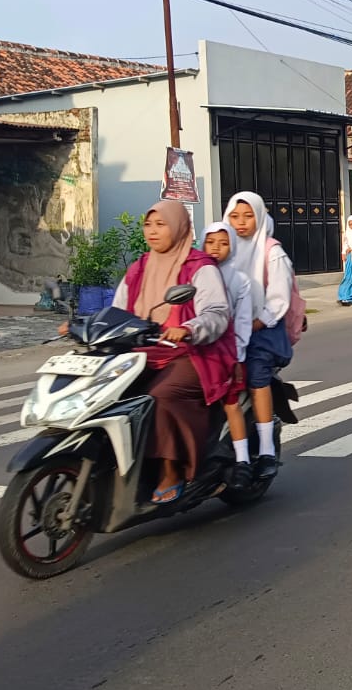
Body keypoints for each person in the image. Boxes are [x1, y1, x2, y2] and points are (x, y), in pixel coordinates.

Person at [111, 202, 235, 503]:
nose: (152, 231)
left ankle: (172, 471)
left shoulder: (199, 266)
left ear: (178, 227)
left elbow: (218, 313)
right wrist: (84, 325)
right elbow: (116, 311)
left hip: (192, 353)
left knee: (159, 397)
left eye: (161, 224)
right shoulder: (139, 267)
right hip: (143, 352)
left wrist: (189, 328)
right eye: (148, 225)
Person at [224, 191, 296, 481]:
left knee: (255, 376)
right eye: (234, 216)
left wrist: (253, 323)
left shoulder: (271, 251)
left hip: (262, 330)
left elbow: (278, 300)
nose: (240, 223)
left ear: (260, 217)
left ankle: (265, 451)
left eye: (248, 215)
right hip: (226, 330)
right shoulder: (223, 247)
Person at [202, 220, 256, 491]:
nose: (216, 249)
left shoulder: (239, 280)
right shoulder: (195, 273)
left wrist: (237, 356)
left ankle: (243, 460)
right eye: (210, 242)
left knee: (230, 402)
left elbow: (243, 322)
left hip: (225, 349)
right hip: (198, 346)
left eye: (224, 244)